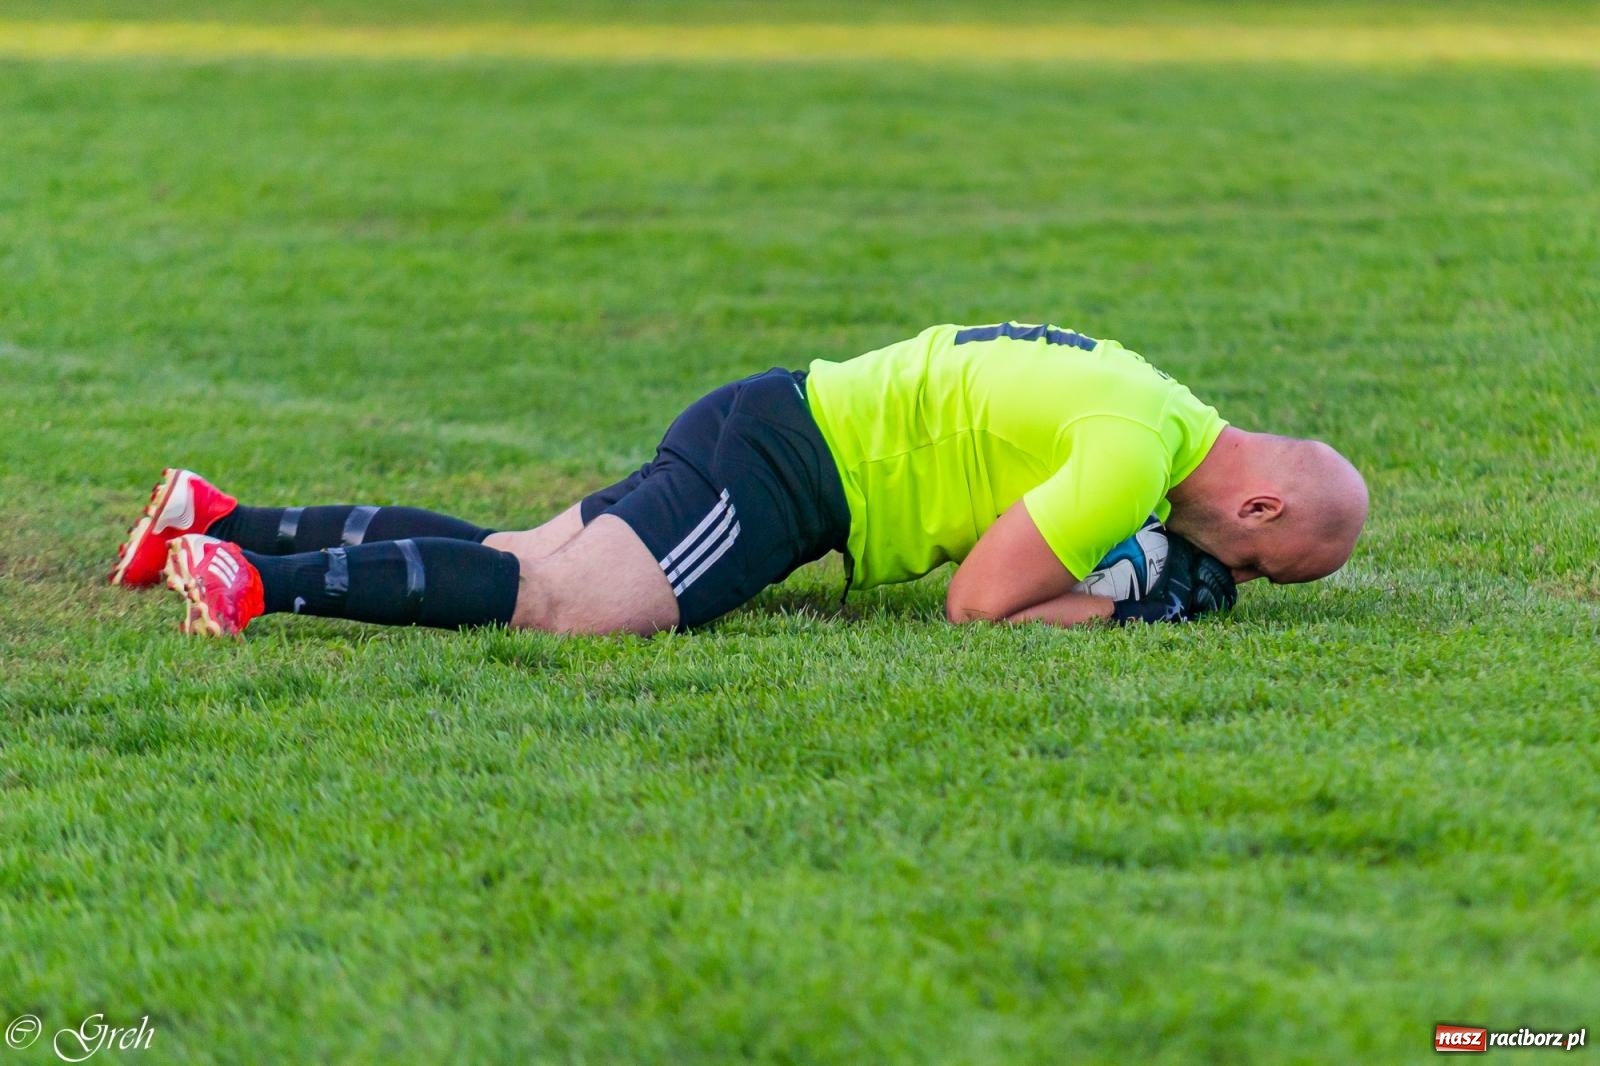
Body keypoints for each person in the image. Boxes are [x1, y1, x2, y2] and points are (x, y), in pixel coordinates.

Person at [108, 322, 1368, 637]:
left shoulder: (1158, 404)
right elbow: (983, 604)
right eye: (1251, 558)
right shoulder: (1134, 455)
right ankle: (255, 581)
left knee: (522, 548)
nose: (1230, 566)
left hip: (772, 420)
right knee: (573, 604)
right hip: (786, 471)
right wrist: (1135, 610)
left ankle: (217, 518)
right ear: (1256, 505)